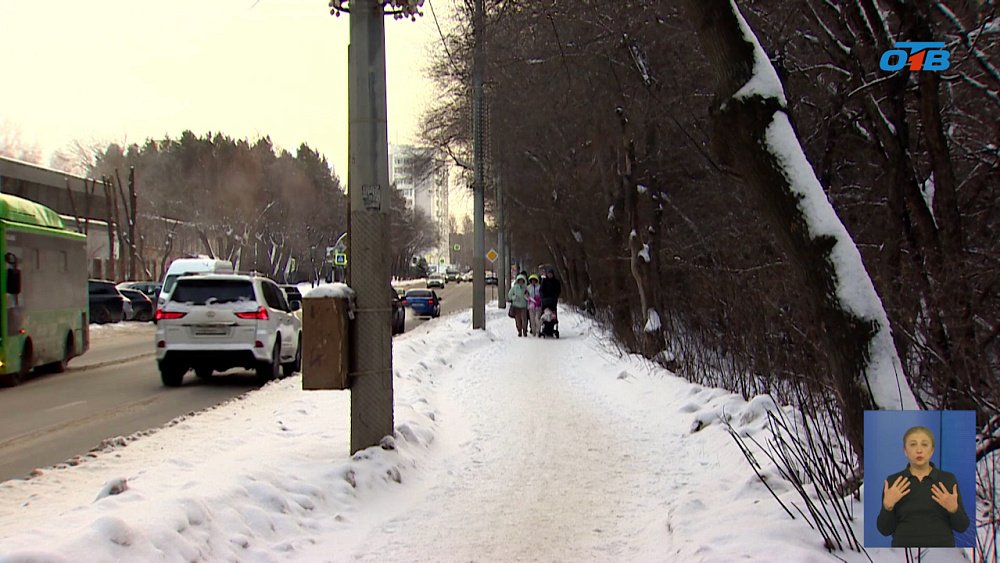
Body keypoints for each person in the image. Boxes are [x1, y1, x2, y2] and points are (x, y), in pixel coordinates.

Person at [876, 426, 970, 547]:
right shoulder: (894, 481)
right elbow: (884, 530)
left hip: (943, 552)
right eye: (913, 444)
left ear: (932, 450)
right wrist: (887, 507)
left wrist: (954, 509)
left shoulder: (947, 479)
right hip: (903, 552)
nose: (919, 450)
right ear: (905, 450)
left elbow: (962, 527)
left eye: (924, 444)